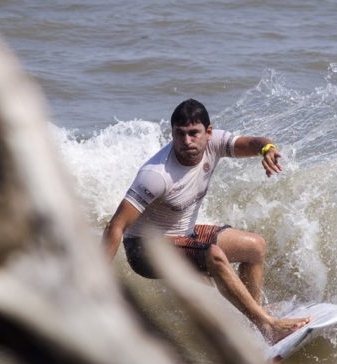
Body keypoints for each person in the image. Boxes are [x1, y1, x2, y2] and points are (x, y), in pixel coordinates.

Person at [102, 98, 310, 343]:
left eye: (193, 133)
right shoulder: (156, 175)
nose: (187, 141)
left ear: (208, 133)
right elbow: (116, 226)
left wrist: (267, 149)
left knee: (255, 246)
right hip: (144, 250)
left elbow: (254, 142)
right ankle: (267, 324)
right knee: (213, 254)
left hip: (183, 235)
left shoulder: (216, 143)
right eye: (179, 134)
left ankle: (256, 324)